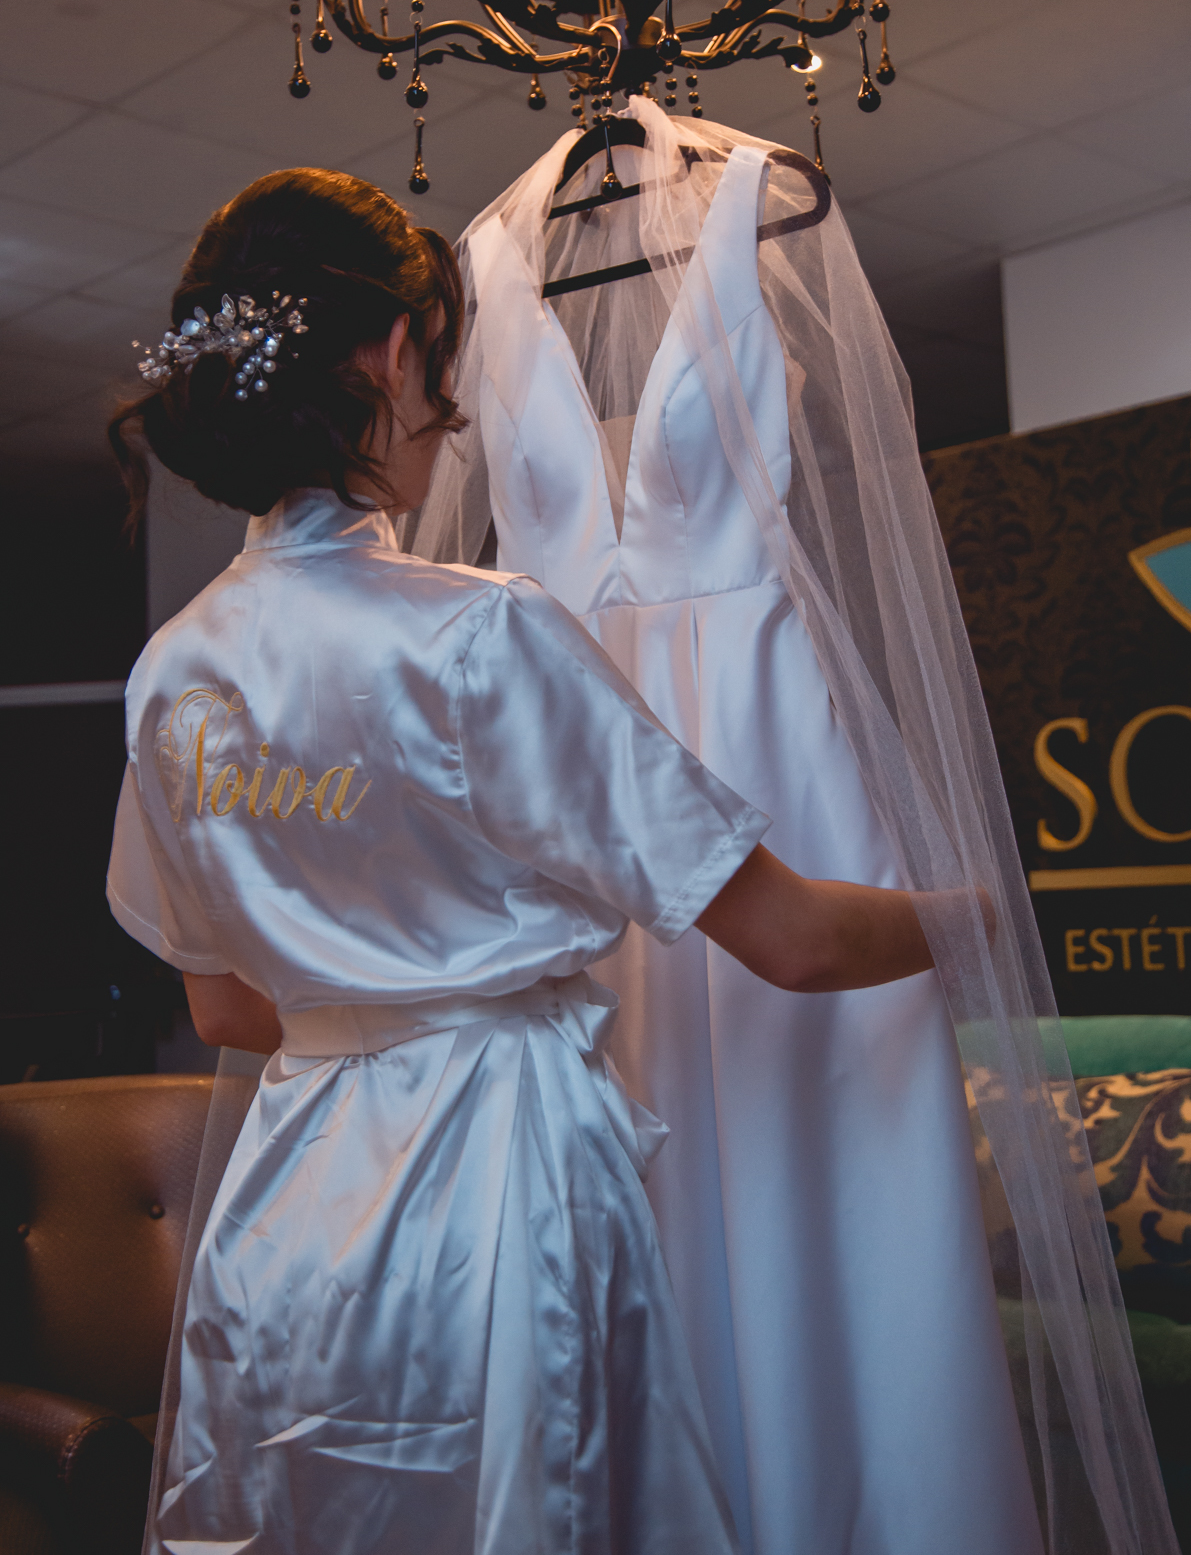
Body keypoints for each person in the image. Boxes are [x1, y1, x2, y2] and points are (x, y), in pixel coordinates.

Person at [106, 168, 938, 1555]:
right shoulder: (477, 633)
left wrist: (362, 997)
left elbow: (224, 1007)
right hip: (487, 1188)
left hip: (289, 1205)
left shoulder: (170, 673)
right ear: (391, 357)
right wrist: (986, 917)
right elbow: (796, 943)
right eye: (445, 363)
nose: (454, 413)